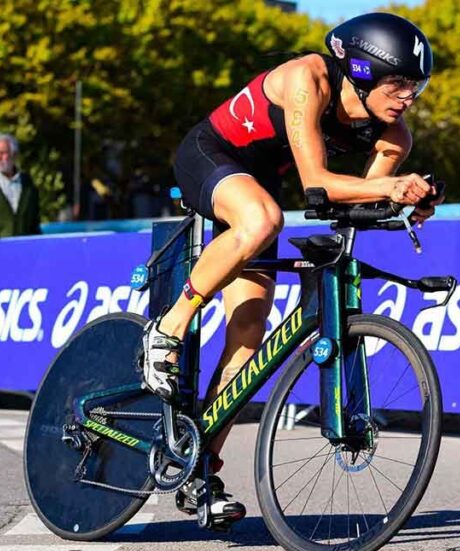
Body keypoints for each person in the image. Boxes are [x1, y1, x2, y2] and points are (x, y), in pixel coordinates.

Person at [143, 13, 444, 525]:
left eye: (416, 86)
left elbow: (355, 202)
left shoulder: (395, 136)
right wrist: (388, 188)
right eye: (398, 83)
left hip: (259, 185)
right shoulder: (309, 78)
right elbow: (317, 184)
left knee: (248, 335)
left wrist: (408, 200)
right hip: (211, 155)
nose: (408, 97)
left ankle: (198, 469)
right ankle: (167, 330)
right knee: (263, 219)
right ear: (363, 70)